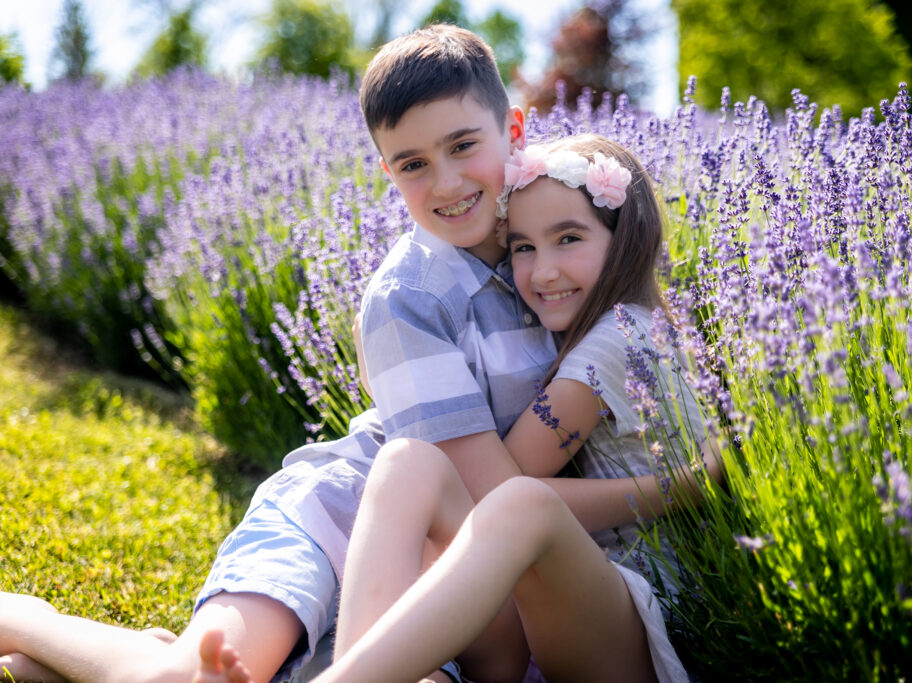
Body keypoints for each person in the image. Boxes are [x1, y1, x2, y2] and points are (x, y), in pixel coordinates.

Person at [0, 26, 683, 683]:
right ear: (388, 172)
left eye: (462, 146)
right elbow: (497, 497)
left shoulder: (539, 249)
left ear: (512, 135)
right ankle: (28, 621)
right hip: (343, 508)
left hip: (437, 543)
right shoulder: (406, 297)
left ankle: (107, 662)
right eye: (414, 164)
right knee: (192, 676)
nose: (446, 183)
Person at [195, 135, 724, 683]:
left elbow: (494, 491)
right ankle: (358, 665)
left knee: (522, 504)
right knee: (408, 460)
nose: (542, 272)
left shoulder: (615, 341)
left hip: (643, 614)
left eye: (568, 238)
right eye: (523, 247)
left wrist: (677, 490)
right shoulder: (620, 325)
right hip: (574, 597)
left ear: (625, 240)